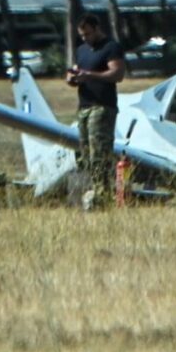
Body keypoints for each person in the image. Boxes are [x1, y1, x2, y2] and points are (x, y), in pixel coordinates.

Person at [66, 14, 126, 209]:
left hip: (102, 107)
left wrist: (90, 75)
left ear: (97, 29)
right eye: (82, 35)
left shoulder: (111, 47)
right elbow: (77, 69)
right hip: (84, 106)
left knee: (99, 153)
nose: (85, 38)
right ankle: (95, 190)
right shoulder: (82, 50)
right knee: (85, 154)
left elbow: (117, 74)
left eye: (88, 34)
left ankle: (103, 194)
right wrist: (72, 78)